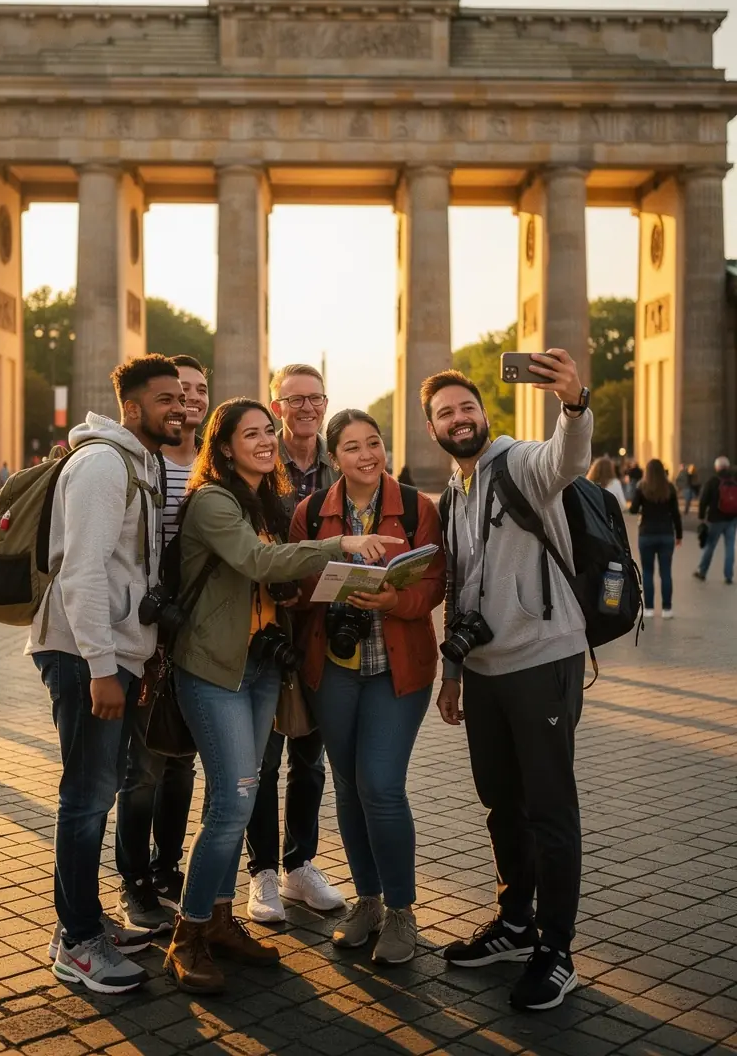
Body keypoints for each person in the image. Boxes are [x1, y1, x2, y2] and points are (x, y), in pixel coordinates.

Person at [163, 398, 400, 996]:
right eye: (252, 434)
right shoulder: (214, 501)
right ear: (223, 446)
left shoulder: (267, 502)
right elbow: (257, 559)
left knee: (230, 799)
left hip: (261, 667)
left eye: (269, 432)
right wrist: (340, 545)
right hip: (215, 669)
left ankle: (218, 921)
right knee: (234, 803)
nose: (267, 441)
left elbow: (276, 575)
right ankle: (185, 938)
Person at [425, 350, 593, 1012]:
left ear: (483, 413)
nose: (458, 418)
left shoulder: (522, 462)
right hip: (486, 671)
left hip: (543, 656)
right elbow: (460, 588)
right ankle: (515, 923)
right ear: (434, 427)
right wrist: (452, 672)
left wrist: (574, 404)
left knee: (550, 808)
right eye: (445, 412)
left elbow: (568, 460)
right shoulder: (454, 493)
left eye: (467, 406)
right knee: (501, 804)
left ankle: (557, 949)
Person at [26, 354, 188, 994]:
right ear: (131, 406)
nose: (177, 407)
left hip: (114, 651)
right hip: (82, 655)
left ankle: (86, 919)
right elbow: (82, 571)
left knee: (95, 794)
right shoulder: (101, 465)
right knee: (87, 798)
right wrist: (100, 666)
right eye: (164, 398)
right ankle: (77, 941)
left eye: (181, 397)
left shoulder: (141, 463)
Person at [290, 409, 446, 964]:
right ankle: (369, 901)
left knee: (380, 783)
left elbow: (433, 584)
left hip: (396, 667)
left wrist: (393, 599)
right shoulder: (311, 513)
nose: (366, 455)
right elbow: (297, 581)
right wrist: (331, 580)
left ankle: (402, 910)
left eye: (374, 443)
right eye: (352, 447)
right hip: (334, 667)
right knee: (349, 785)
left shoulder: (417, 506)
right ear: (335, 458)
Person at [245, 364, 343, 925]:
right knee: (261, 756)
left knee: (311, 758)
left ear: (324, 405)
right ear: (277, 406)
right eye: (294, 399)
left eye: (315, 398)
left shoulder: (339, 465)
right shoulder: (258, 460)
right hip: (264, 625)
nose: (306, 407)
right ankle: (261, 873)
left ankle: (299, 864)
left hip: (320, 628)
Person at [116, 356, 210, 933]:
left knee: (182, 765)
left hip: (197, 632)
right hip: (150, 634)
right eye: (179, 392)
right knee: (145, 767)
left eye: (198, 390)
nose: (189, 401)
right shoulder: (137, 459)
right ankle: (134, 882)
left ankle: (167, 869)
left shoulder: (212, 465)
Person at [629, 459, 682, 618]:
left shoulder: (642, 487)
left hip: (646, 534)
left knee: (647, 572)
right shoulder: (670, 488)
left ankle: (649, 609)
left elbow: (632, 509)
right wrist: (679, 535)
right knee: (666, 572)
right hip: (666, 534)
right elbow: (676, 514)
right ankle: (667, 609)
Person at [694, 456, 737, 585]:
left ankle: (702, 572)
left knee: (710, 545)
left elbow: (703, 500)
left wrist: (701, 516)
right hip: (732, 519)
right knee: (730, 547)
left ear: (716, 467)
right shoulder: (734, 480)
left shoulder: (713, 481)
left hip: (715, 519)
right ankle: (728, 576)